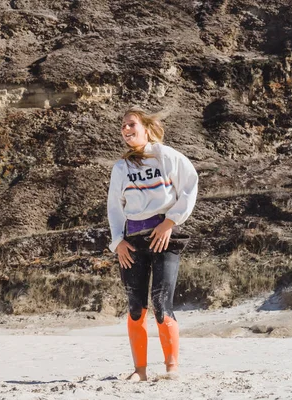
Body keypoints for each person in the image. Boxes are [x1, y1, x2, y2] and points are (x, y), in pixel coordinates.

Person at [107, 107, 198, 381]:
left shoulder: (166, 156)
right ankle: (140, 371)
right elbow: (114, 207)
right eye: (122, 126)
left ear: (146, 127)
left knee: (161, 303)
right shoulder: (121, 167)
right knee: (136, 307)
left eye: (131, 124)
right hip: (131, 243)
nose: (125, 129)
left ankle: (172, 369)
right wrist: (117, 242)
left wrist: (170, 222)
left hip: (163, 238)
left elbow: (190, 186)